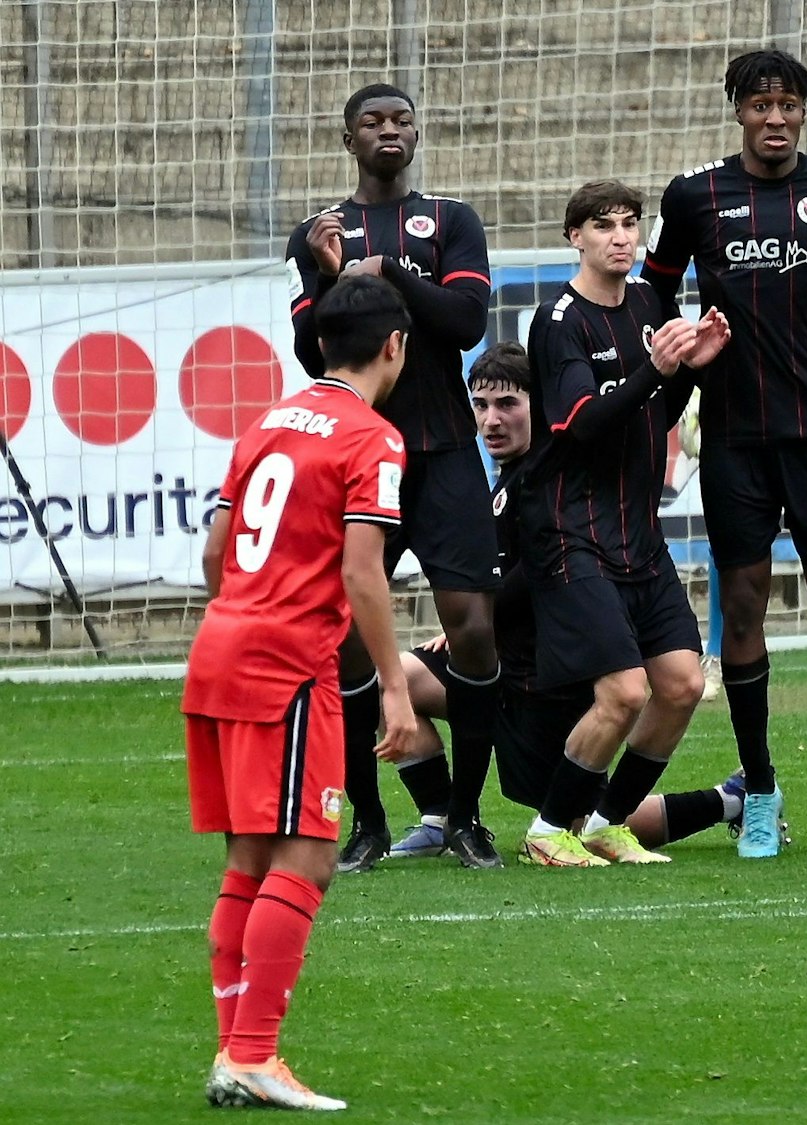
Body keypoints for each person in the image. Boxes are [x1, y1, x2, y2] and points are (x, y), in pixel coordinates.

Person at [187, 276, 421, 1110]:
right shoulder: (373, 439)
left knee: (250, 856)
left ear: (322, 344)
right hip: (286, 665)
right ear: (396, 346)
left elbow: (216, 554)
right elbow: (363, 571)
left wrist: (246, 610)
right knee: (310, 855)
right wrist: (396, 688)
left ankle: (234, 1053)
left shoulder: (268, 422)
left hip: (219, 648)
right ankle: (253, 1053)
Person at [641, 50, 807, 859]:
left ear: (805, 115)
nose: (773, 118)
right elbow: (652, 287)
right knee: (741, 606)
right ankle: (763, 789)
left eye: (787, 105)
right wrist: (683, 351)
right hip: (735, 436)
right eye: (759, 104)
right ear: (737, 110)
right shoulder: (694, 195)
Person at [387, 344, 753, 854]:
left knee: (586, 822)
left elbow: (535, 575)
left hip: (546, 690)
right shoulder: (494, 482)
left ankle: (731, 798)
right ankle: (440, 817)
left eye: (508, 404)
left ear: (541, 405)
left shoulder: (555, 479)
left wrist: (476, 621)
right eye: (481, 405)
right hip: (498, 674)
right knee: (391, 682)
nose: (492, 420)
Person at [284, 82, 503, 872]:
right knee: (342, 636)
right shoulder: (316, 233)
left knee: (474, 624)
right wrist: (332, 277)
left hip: (443, 452)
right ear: (349, 140)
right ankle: (368, 822)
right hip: (355, 455)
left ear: (417, 136)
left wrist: (386, 275)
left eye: (402, 121)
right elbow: (315, 351)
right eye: (372, 122)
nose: (389, 131)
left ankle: (469, 817)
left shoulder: (452, 221)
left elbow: (465, 323)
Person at [515, 181, 730, 866]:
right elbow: (580, 424)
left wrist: (690, 372)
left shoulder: (647, 304)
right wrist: (656, 368)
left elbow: (654, 414)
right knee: (624, 689)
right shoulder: (557, 321)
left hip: (638, 530)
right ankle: (549, 829)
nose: (620, 236)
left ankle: (607, 821)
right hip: (570, 530)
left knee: (682, 683)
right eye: (603, 225)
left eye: (630, 224)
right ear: (574, 236)